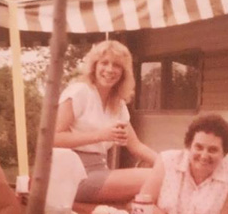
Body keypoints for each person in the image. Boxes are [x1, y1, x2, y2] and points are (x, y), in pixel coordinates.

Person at [54, 40, 157, 203]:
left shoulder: (118, 104)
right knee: (153, 177)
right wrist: (101, 135)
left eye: (116, 65)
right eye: (104, 63)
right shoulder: (80, 91)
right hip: (72, 176)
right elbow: (53, 139)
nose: (110, 70)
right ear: (94, 66)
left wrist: (169, 165)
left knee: (160, 175)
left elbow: (136, 146)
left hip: (100, 172)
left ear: (123, 72)